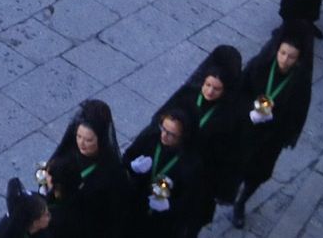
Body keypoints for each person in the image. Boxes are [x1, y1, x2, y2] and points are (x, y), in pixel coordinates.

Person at [230, 25, 314, 228]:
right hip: (247, 127)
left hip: (270, 138)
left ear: (299, 59)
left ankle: (241, 202)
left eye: (291, 57)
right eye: (282, 53)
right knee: (235, 164)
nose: (285, 60)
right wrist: (251, 109)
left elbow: (298, 114)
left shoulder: (300, 82)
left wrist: (275, 119)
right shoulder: (260, 66)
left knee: (258, 173)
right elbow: (240, 90)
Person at [155, 45, 245, 233]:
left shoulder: (228, 116)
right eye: (207, 85)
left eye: (217, 89)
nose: (210, 92)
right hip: (170, 160)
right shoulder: (188, 96)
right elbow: (163, 118)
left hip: (200, 176)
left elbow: (228, 156)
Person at [39, 99, 127, 238]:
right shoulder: (69, 152)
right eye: (79, 136)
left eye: (89, 140)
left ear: (101, 139)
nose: (82, 143)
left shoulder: (110, 169)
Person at [121, 103, 204, 236]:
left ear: (184, 136)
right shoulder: (151, 137)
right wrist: (132, 166)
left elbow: (189, 201)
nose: (164, 135)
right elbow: (127, 157)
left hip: (162, 223)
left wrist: (169, 206)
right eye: (163, 128)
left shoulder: (191, 163)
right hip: (135, 205)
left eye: (171, 134)